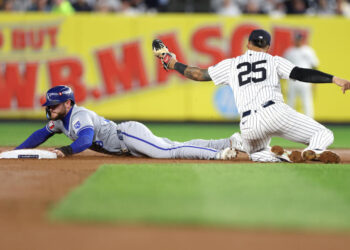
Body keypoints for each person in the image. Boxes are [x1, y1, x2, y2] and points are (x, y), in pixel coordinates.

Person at [153, 29, 350, 163]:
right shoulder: (273, 60)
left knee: (256, 153)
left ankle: (277, 155)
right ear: (268, 47)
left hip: (249, 124)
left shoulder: (231, 64)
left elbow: (197, 74)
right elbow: (301, 73)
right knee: (324, 134)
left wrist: (173, 64)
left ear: (248, 44)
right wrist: (334, 79)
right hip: (275, 112)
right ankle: (313, 152)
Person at [15, 85, 239, 160]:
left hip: (128, 136)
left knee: (168, 151)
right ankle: (227, 142)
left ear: (68, 103)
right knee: (173, 145)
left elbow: (84, 140)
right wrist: (14, 152)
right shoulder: (61, 121)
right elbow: (40, 134)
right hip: (127, 143)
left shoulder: (79, 116)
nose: (50, 109)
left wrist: (65, 150)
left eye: (54, 105)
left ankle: (217, 154)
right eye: (49, 106)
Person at [284, 32, 319, 118]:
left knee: (307, 102)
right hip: (292, 80)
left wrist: (315, 81)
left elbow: (315, 66)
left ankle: (310, 123)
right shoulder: (289, 51)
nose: (298, 41)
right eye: (296, 39)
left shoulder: (308, 50)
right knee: (291, 102)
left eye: (299, 39)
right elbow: (284, 66)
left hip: (305, 80)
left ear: (302, 40)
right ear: (294, 40)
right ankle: (289, 122)